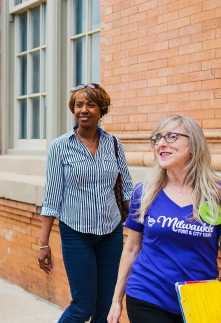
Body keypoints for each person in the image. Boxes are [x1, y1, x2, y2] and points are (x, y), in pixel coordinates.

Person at [107, 115, 221, 323]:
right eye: (157, 138)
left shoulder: (216, 194)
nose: (161, 144)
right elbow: (132, 248)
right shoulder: (145, 192)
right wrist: (116, 300)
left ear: (193, 145)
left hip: (199, 300)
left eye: (171, 136)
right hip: (148, 295)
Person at [38, 83, 133, 323]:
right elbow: (52, 197)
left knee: (106, 305)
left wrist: (140, 229)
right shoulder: (60, 146)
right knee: (83, 306)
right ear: (73, 109)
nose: (84, 109)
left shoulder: (114, 144)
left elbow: (127, 190)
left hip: (111, 232)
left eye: (91, 104)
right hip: (76, 233)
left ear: (101, 110)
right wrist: (43, 244)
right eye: (79, 104)